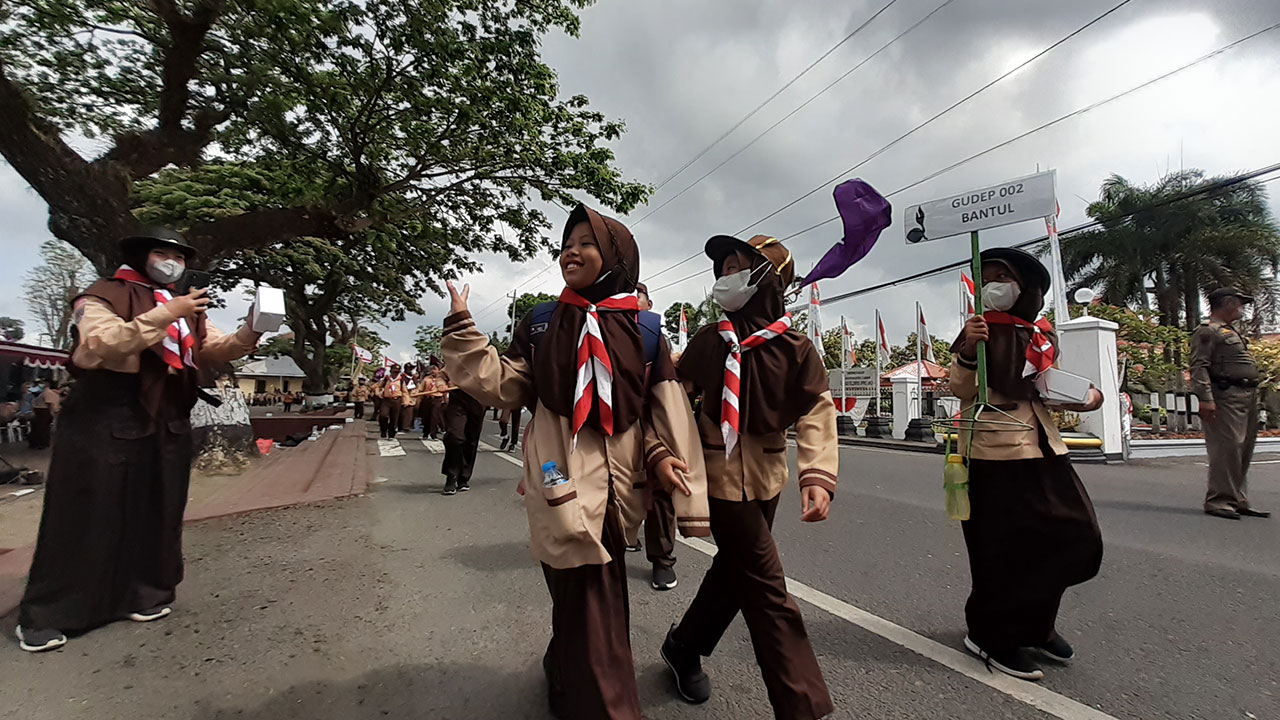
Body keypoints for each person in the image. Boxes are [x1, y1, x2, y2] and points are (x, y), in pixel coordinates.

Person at [441, 203, 709, 720]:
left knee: (595, 607)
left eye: (588, 241)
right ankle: (577, 683)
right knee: (578, 597)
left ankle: (578, 688)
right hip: (556, 480)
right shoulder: (542, 322)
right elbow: (506, 385)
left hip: (618, 491)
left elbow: (663, 413)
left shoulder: (648, 331)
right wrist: (463, 327)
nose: (572, 250)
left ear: (615, 256)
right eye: (568, 241)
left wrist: (664, 462)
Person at [16, 226, 261, 653]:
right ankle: (51, 612)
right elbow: (102, 343)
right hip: (106, 412)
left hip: (167, 414)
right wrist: (166, 314)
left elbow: (211, 348)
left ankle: (144, 592)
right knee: (90, 509)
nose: (174, 263)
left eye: (181, 258)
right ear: (142, 256)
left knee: (158, 506)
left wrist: (251, 333)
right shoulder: (103, 296)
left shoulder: (183, 304)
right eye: (165, 254)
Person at [661, 234, 837, 718]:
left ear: (768, 281)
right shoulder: (707, 341)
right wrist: (664, 454)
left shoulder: (796, 349)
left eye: (739, 266)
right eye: (724, 267)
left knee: (734, 573)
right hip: (717, 478)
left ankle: (683, 645)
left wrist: (817, 476)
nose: (726, 276)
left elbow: (817, 414)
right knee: (766, 586)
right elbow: (672, 402)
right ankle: (800, 704)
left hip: (767, 475)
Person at [949, 247, 1105, 681]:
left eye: (1003, 275)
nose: (992, 284)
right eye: (988, 275)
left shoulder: (1039, 334)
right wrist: (966, 351)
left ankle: (1036, 624)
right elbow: (960, 388)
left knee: (1076, 536)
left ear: (1027, 289)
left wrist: (1086, 395)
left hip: (1045, 446)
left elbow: (1044, 386)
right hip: (992, 451)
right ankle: (991, 636)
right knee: (1001, 550)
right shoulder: (978, 330)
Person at [1191, 288, 1271, 520]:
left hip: (1245, 394)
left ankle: (1237, 499)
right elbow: (1199, 366)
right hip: (1225, 395)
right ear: (1227, 302)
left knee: (1243, 447)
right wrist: (1205, 398)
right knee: (1227, 448)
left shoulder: (1230, 331)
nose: (1241, 308)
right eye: (1239, 303)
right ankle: (1219, 500)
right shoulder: (1208, 331)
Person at [631, 281, 678, 587]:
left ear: (648, 304)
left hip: (653, 422)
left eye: (638, 297)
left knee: (660, 490)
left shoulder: (654, 336)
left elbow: (669, 387)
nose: (632, 301)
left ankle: (662, 560)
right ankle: (623, 534)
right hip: (615, 425)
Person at [440, 385, 485, 495]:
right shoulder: (454, 366)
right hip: (457, 399)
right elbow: (443, 374)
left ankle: (463, 477)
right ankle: (451, 475)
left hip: (478, 400)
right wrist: (441, 382)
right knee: (454, 436)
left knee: (471, 440)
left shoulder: (486, 366)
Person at [27, 380, 60, 450]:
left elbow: (49, 403)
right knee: (39, 428)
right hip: (40, 411)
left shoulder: (47, 392)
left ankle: (41, 443)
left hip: (43, 411)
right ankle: (37, 443)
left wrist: (51, 412)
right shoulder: (41, 392)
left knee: (42, 428)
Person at [376, 366, 405, 439]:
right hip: (386, 400)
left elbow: (404, 391)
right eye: (394, 371)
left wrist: (406, 400)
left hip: (396, 400)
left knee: (394, 418)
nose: (395, 373)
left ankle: (391, 433)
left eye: (397, 372)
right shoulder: (386, 379)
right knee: (383, 415)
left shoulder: (401, 380)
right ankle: (383, 430)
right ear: (391, 371)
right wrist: (378, 393)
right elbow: (377, 387)